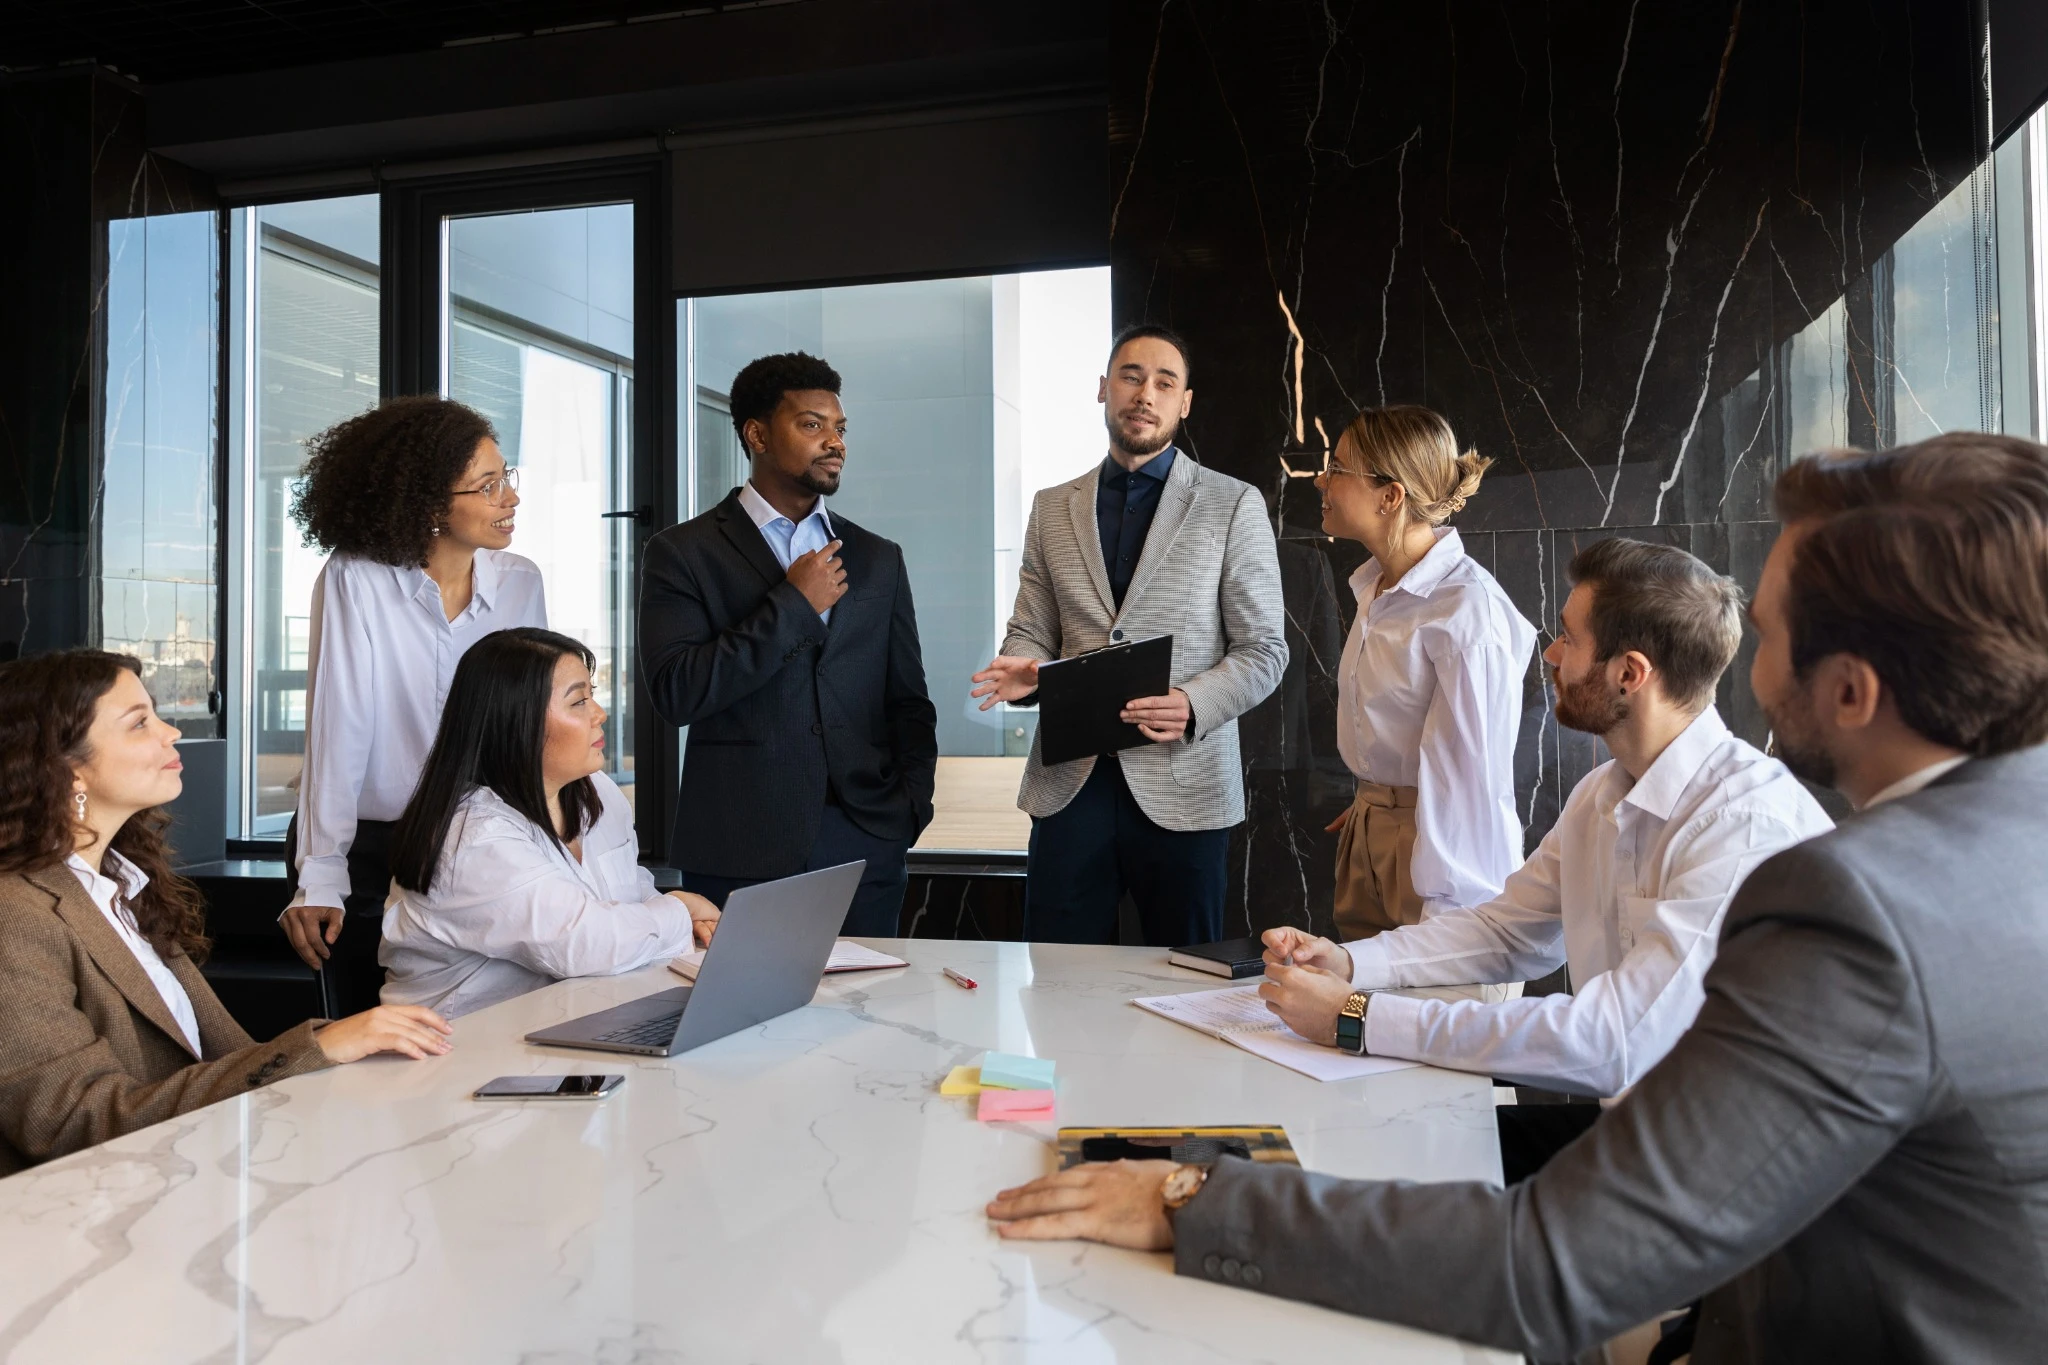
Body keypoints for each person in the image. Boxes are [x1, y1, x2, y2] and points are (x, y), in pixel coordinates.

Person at [984, 432, 2048, 1362]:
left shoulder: (1850, 896)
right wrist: (1355, 968)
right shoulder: (1984, 844)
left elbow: (1555, 1256)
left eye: (1765, 636)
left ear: (1852, 691)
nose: (1739, 658)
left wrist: (1195, 1199)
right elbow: (1503, 930)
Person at [1257, 537, 1831, 1182]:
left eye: (1568, 638)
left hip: (1741, 1174)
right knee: (1376, 1155)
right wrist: (1352, 961)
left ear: (1629, 673)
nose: (1551, 654)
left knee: (1400, 1184)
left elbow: (1612, 1040)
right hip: (1645, 1133)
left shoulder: (1742, 826)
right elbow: (1507, 931)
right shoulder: (1603, 791)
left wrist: (1356, 1018)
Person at [0, 651, 452, 1177]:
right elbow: (74, 1122)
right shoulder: (16, 915)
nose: (171, 732)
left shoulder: (125, 886)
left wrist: (337, 1059)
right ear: (65, 767)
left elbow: (220, 1063)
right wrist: (316, 1047)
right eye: (140, 723)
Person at [972, 325, 1287, 946]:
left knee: (1187, 982)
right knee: (1059, 987)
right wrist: (1026, 671)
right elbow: (1033, 626)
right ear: (1103, 388)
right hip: (1071, 787)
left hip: (1186, 785)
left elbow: (1265, 650)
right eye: (1131, 376)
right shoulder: (1051, 505)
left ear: (1184, 402)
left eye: (1164, 382)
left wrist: (1194, 704)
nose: (1146, 393)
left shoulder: (1233, 503)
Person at [640, 353, 937, 936]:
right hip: (737, 850)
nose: (835, 442)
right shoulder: (681, 553)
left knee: (872, 1019)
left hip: (866, 843)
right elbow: (676, 693)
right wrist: (794, 606)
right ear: (757, 435)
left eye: (840, 428)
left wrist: (907, 811)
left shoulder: (879, 558)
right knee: (745, 1026)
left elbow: (907, 701)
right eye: (812, 425)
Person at [277, 396, 547, 1015]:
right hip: (372, 845)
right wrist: (320, 874)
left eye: (506, 476)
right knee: (370, 1035)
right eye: (487, 485)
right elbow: (337, 729)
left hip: (479, 844)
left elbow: (527, 725)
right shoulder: (356, 577)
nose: (510, 497)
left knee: (477, 1030)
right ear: (428, 504)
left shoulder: (521, 581)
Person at [381, 629, 721, 1019]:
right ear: (517, 722)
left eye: (592, 694)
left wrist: (682, 920)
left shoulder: (598, 791)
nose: (599, 714)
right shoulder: (472, 837)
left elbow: (630, 896)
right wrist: (678, 910)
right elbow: (585, 944)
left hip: (569, 1029)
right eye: (578, 701)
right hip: (455, 1055)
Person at [1314, 404, 1535, 937]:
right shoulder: (1377, 587)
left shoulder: (1465, 609)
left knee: (1432, 1013)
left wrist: (1450, 918)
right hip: (1373, 831)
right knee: (1359, 1015)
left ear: (1390, 497)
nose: (1321, 479)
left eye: (1339, 468)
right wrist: (1379, 802)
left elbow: (1474, 779)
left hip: (1441, 861)